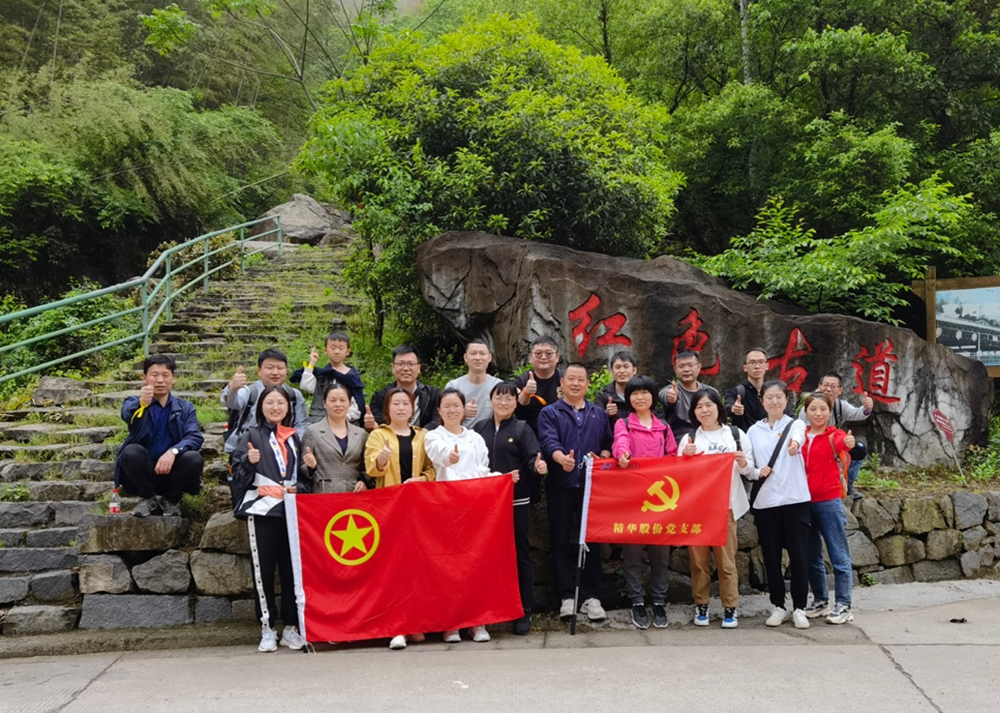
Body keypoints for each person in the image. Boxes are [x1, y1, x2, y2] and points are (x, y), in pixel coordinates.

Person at [231, 385, 314, 653]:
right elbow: (238, 478)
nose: (275, 407)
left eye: (280, 403)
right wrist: (249, 461)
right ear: (261, 407)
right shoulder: (251, 435)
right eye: (270, 402)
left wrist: (309, 470)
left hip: (290, 510)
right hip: (262, 510)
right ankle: (266, 627)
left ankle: (291, 626)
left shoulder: (294, 438)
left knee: (292, 570)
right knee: (263, 571)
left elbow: (302, 481)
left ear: (289, 408)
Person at [424, 388, 511, 644]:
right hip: (447, 508)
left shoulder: (475, 438)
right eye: (447, 406)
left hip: (475, 509)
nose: (452, 410)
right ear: (439, 410)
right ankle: (451, 623)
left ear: (464, 409)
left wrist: (502, 479)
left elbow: (482, 470)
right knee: (449, 567)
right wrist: (449, 457)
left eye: (456, 406)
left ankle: (477, 621)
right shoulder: (433, 436)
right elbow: (439, 454)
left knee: (475, 564)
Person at [538, 363, 613, 623]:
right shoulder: (550, 412)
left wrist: (602, 456)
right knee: (560, 540)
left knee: (591, 541)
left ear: (587, 384)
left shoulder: (597, 413)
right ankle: (566, 597)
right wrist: (561, 459)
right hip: (561, 484)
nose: (576, 383)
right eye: (571, 378)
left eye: (581, 379)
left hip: (592, 487)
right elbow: (548, 442)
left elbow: (607, 443)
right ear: (562, 382)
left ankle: (592, 596)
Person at [363, 387, 436, 651]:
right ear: (387, 408)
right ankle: (397, 626)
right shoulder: (378, 435)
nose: (401, 407)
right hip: (389, 509)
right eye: (396, 403)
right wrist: (381, 460)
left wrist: (422, 479)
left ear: (413, 408)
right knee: (393, 569)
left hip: (418, 509)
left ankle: (415, 622)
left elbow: (433, 468)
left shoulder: (423, 435)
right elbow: (371, 468)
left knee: (417, 568)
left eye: (406, 403)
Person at [677, 389, 756, 629]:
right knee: (698, 561)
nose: (704, 410)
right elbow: (679, 476)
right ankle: (701, 604)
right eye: (699, 406)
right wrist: (684, 457)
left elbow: (749, 470)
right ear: (694, 412)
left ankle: (730, 606)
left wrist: (743, 462)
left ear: (718, 408)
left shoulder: (735, 435)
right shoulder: (689, 439)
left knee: (726, 560)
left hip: (726, 507)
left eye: (709, 405)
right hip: (697, 509)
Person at [474, 381, 547, 636]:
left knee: (520, 554)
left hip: (516, 501)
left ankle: (524, 610)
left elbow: (532, 457)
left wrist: (538, 467)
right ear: (491, 400)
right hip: (485, 504)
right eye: (499, 397)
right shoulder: (478, 429)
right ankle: (483, 612)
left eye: (509, 399)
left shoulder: (521, 428)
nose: (503, 402)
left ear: (516, 403)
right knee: (483, 555)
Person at [611, 375, 677, 629]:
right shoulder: (624, 423)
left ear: (652, 397)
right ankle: (637, 602)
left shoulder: (664, 427)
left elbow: (673, 456)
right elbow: (621, 442)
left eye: (644, 393)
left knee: (661, 555)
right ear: (629, 398)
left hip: (660, 501)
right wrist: (622, 454)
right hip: (633, 499)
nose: (640, 397)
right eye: (634, 393)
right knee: (633, 555)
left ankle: (659, 602)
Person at [746, 380, 812, 630]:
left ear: (787, 400)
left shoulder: (796, 425)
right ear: (761, 401)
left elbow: (799, 439)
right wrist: (752, 469)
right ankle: (778, 605)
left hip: (795, 499)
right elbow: (750, 467)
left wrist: (795, 446)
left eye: (779, 397)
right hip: (766, 501)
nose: (774, 401)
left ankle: (799, 608)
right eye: (769, 397)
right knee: (771, 556)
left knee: (799, 556)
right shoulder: (753, 431)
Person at [115, 355, 204, 518]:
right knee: (131, 451)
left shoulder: (185, 407)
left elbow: (195, 436)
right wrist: (141, 403)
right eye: (154, 375)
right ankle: (148, 498)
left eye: (165, 375)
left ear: (173, 378)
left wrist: (173, 452)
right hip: (144, 471)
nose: (160, 380)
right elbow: (126, 414)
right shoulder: (134, 402)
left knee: (193, 457)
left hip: (174, 472)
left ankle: (170, 500)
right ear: (144, 377)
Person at [800, 391, 857, 625]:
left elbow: (845, 443)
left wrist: (849, 443)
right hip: (804, 502)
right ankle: (821, 600)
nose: (818, 413)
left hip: (829, 501)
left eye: (823, 409)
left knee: (838, 554)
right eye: (813, 409)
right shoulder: (800, 436)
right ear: (805, 412)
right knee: (812, 555)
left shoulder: (835, 435)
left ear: (830, 412)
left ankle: (843, 604)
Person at [221, 348, 309, 458]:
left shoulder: (294, 395)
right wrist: (232, 389)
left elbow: (301, 424)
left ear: (286, 370)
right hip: (249, 449)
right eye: (269, 368)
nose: (275, 372)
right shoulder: (250, 392)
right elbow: (231, 403)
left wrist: (293, 446)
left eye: (280, 368)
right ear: (259, 371)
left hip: (284, 449)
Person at [799, 373, 874, 500]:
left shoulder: (840, 406)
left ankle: (847, 485)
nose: (828, 389)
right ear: (819, 387)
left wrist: (866, 408)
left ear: (840, 390)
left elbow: (858, 413)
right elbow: (803, 432)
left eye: (833, 386)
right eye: (825, 385)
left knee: (858, 449)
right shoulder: (808, 407)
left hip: (834, 444)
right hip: (813, 447)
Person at [301, 383, 370, 494]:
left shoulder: (360, 433)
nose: (338, 404)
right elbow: (302, 469)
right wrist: (310, 467)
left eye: (342, 400)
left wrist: (364, 480)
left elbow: (367, 466)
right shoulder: (312, 431)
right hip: (324, 494)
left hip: (354, 493)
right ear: (324, 404)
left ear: (349, 403)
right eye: (332, 400)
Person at [290, 331, 366, 426]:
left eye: (341, 348)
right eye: (333, 348)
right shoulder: (322, 374)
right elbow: (306, 386)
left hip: (346, 424)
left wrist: (345, 417)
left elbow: (356, 403)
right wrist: (312, 363)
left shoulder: (352, 376)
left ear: (347, 351)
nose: (337, 351)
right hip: (319, 423)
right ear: (326, 350)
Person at [367, 346, 441, 430]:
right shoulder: (380, 396)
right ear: (393, 367)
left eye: (411, 364)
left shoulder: (432, 394)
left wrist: (421, 433)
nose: (406, 368)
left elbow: (438, 419)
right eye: (400, 364)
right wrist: (371, 424)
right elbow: (378, 421)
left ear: (418, 368)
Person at [659, 350, 719, 443]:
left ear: (699, 366)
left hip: (709, 442)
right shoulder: (670, 391)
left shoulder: (711, 392)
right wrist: (670, 397)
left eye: (690, 365)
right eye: (681, 366)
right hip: (679, 443)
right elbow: (664, 395)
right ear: (675, 369)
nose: (686, 369)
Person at [444, 340, 502, 428]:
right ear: (465, 357)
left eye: (482, 353)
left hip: (490, 435)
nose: (477, 358)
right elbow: (445, 419)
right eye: (473, 353)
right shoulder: (453, 386)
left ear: (489, 357)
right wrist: (462, 412)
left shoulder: (498, 386)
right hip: (460, 434)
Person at [514, 336, 562, 435]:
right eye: (538, 354)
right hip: (527, 433)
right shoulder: (521, 381)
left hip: (559, 431)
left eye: (548, 354)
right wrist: (526, 393)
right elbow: (515, 411)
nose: (543, 357)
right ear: (530, 357)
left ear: (557, 357)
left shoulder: (564, 380)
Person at [723, 348, 769, 433]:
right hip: (744, 439)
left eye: (761, 362)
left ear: (767, 366)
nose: (757, 366)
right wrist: (733, 409)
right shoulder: (737, 391)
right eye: (752, 362)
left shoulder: (772, 392)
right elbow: (727, 406)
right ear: (745, 368)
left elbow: (788, 415)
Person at [594, 351, 639, 427]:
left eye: (626, 367)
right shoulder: (602, 396)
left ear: (634, 370)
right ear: (612, 371)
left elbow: (658, 419)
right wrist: (606, 414)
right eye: (618, 367)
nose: (622, 371)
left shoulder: (643, 394)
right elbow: (594, 424)